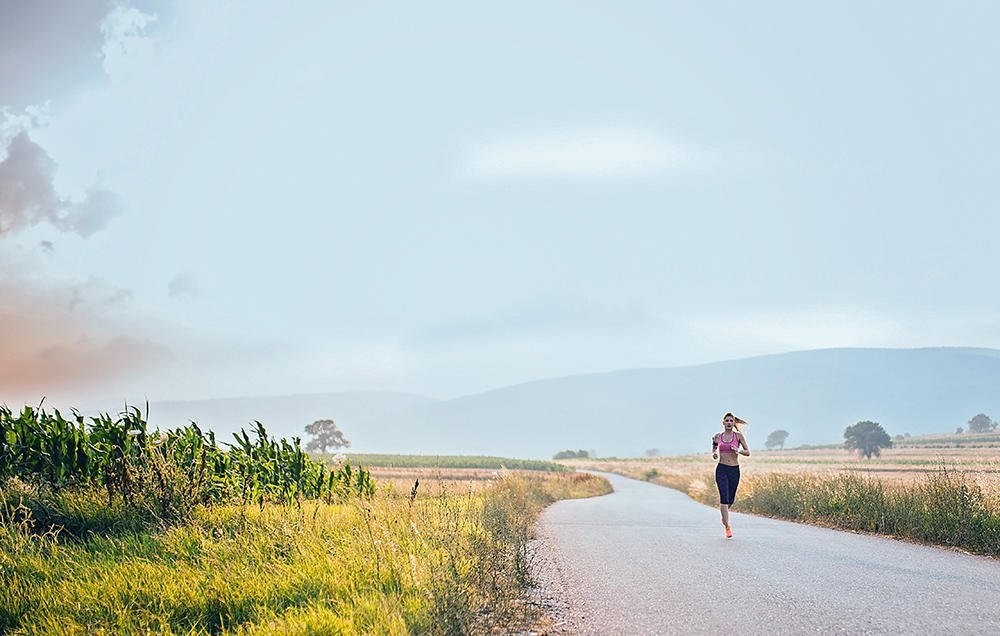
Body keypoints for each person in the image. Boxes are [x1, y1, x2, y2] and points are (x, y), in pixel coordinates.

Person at [711, 412, 749, 538]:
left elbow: (748, 452)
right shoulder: (718, 436)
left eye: (731, 421)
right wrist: (715, 453)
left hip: (734, 469)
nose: (728, 423)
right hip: (721, 469)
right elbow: (715, 447)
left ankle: (724, 515)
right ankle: (727, 526)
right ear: (723, 423)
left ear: (733, 423)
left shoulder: (738, 436)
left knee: (730, 499)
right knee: (724, 498)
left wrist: (738, 450)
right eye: (726, 421)